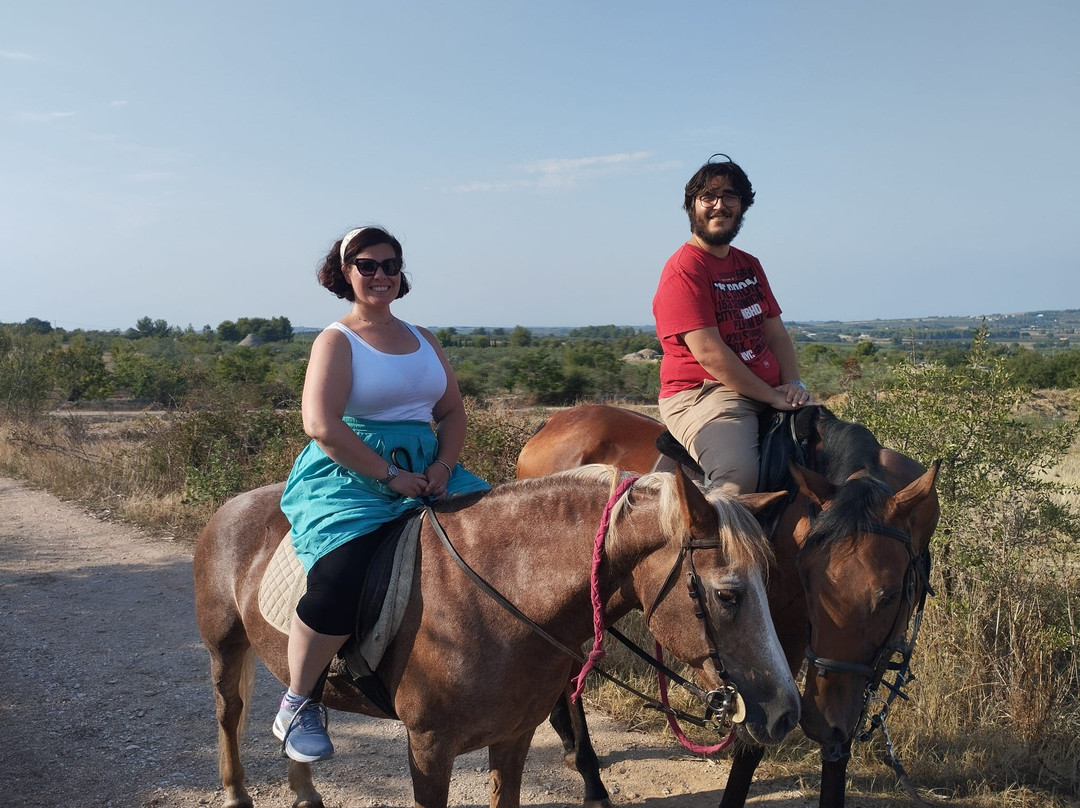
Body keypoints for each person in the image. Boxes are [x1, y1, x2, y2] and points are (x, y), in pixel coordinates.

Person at [275, 225, 490, 763]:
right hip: (350, 473)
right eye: (366, 265)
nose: (380, 275)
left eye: (391, 265)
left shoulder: (424, 338)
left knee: (500, 546)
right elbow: (321, 424)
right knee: (342, 574)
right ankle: (298, 700)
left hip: (429, 468)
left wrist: (442, 464)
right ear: (344, 273)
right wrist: (388, 477)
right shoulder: (337, 340)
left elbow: (451, 411)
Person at [652, 154, 812, 494]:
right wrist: (770, 395)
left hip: (765, 389)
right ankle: (717, 546)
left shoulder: (749, 264)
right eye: (708, 196)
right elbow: (709, 353)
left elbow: (776, 333)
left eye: (729, 196)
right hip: (705, 393)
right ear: (692, 206)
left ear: (742, 206)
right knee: (736, 483)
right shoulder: (684, 270)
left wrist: (793, 382)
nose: (719, 205)